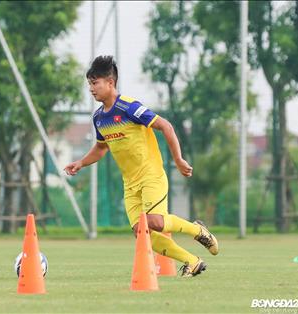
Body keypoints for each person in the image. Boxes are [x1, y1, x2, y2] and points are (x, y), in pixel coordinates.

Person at [64, 55, 219, 277]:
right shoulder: (99, 118)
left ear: (110, 82)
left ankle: (198, 230)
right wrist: (81, 162)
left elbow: (165, 126)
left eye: (95, 82)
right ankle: (192, 261)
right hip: (130, 183)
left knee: (155, 221)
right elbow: (101, 148)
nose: (91, 88)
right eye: (89, 83)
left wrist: (178, 159)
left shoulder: (129, 107)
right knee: (142, 232)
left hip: (151, 175)